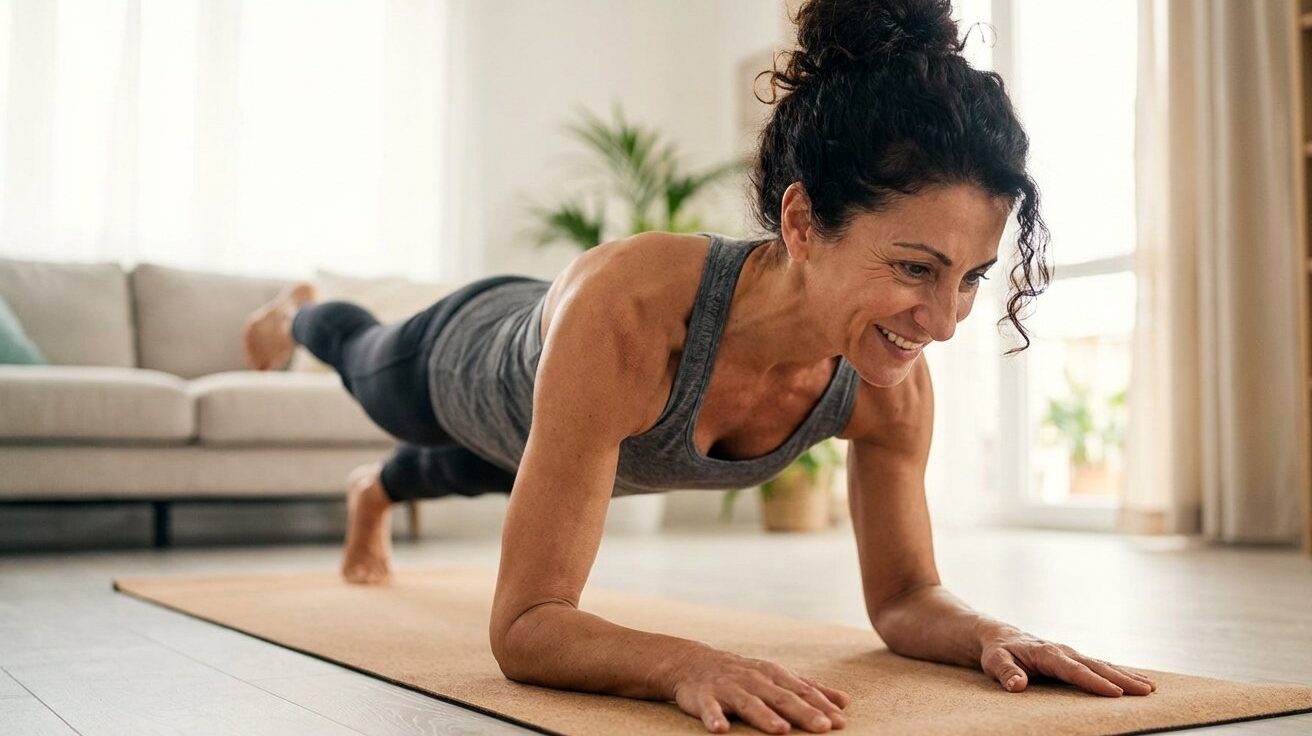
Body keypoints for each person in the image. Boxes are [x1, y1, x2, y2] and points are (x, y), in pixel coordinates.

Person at [241, 0, 1158, 732]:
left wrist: (994, 633)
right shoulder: (634, 313)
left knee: (488, 473)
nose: (946, 322)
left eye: (970, 279)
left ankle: (377, 493)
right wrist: (687, 663)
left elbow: (908, 596)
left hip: (548, 435)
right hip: (467, 357)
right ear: (802, 223)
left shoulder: (889, 379)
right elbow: (525, 627)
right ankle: (300, 312)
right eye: (915, 269)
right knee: (364, 358)